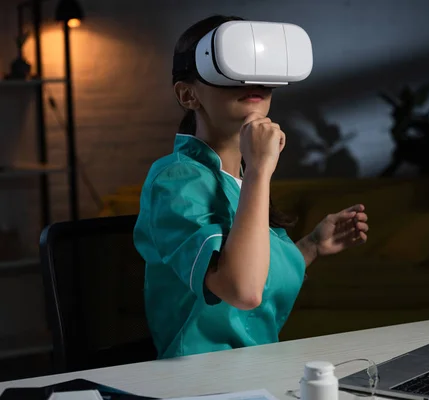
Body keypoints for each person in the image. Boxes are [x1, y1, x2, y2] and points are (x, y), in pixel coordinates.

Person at [133, 15, 369, 359]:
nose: (251, 82)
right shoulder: (176, 179)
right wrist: (260, 169)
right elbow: (242, 290)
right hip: (200, 377)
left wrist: (312, 246)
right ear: (187, 95)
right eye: (233, 70)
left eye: (261, 74)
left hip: (257, 367)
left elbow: (256, 273)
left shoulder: (242, 176)